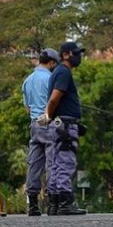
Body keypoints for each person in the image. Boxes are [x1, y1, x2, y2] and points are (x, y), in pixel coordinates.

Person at [38, 41, 87, 216]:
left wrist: (49, 119)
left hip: (57, 125)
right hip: (64, 124)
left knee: (55, 163)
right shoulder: (64, 72)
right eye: (76, 53)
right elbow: (54, 99)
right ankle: (65, 203)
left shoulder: (57, 72)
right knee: (66, 162)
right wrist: (50, 116)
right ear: (66, 54)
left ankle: (54, 204)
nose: (79, 57)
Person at [21, 48, 60, 216]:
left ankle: (33, 205)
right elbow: (55, 102)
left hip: (35, 125)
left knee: (34, 163)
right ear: (51, 62)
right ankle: (53, 204)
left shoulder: (27, 81)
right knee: (53, 162)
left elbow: (27, 109)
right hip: (48, 122)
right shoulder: (51, 79)